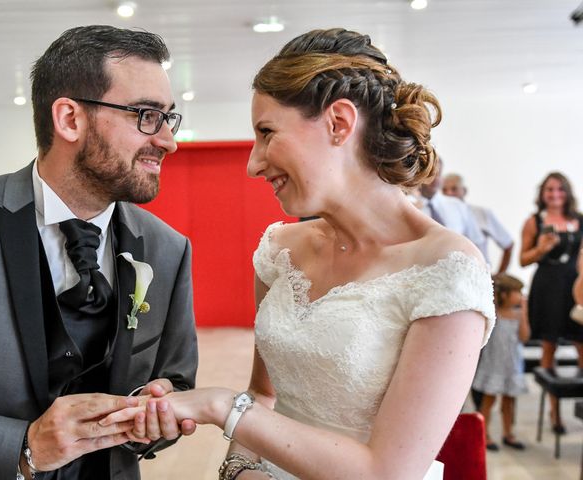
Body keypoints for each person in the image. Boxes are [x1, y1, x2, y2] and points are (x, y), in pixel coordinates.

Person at [103, 28, 495, 480]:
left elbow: (385, 472)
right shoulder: (280, 251)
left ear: (339, 124)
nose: (254, 162)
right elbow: (264, 399)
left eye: (267, 132)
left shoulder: (446, 272)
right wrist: (240, 471)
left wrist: (220, 405)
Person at [0, 25, 198, 480]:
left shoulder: (167, 248)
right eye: (146, 115)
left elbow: (176, 382)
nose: (167, 140)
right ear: (69, 120)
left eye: (168, 118)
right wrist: (22, 447)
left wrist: (157, 417)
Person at [520, 171, 583, 434]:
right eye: (549, 189)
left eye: (559, 189)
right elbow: (524, 259)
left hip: (576, 286)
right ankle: (554, 414)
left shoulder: (579, 220)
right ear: (542, 193)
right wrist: (542, 248)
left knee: (582, 345)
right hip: (547, 287)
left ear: (567, 192)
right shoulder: (534, 222)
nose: (555, 194)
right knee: (549, 346)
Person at [472, 274, 530, 451]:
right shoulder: (494, 315)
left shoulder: (519, 315)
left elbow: (525, 337)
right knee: (488, 401)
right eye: (517, 292)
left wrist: (525, 313)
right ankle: (483, 433)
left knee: (508, 402)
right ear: (504, 294)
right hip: (494, 366)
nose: (521, 296)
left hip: (511, 367)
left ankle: (508, 433)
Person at [443, 173, 514, 274]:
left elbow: (508, 244)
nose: (449, 193)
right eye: (444, 190)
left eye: (454, 189)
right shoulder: (438, 216)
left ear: (464, 191)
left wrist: (500, 276)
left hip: (479, 274)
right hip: (450, 275)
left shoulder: (481, 213)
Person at [418, 161, 488, 258]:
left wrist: (485, 270)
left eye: (439, 174)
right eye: (430, 173)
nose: (435, 179)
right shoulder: (408, 207)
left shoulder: (457, 205)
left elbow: (477, 241)